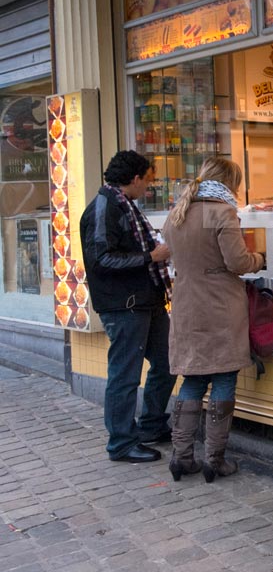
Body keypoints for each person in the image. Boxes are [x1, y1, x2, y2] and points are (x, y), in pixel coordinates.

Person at [162, 156, 265, 482]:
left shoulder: (179, 212)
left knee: (192, 379)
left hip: (186, 305)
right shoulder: (220, 212)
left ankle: (181, 457)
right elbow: (236, 261)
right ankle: (215, 460)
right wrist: (260, 259)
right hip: (219, 306)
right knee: (223, 378)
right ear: (228, 182)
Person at [80, 150, 174, 463]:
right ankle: (121, 443)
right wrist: (151, 257)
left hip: (146, 300)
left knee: (168, 360)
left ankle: (151, 426)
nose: (149, 188)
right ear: (134, 179)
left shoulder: (124, 206)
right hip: (125, 306)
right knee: (125, 375)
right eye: (147, 181)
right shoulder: (104, 208)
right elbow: (102, 259)